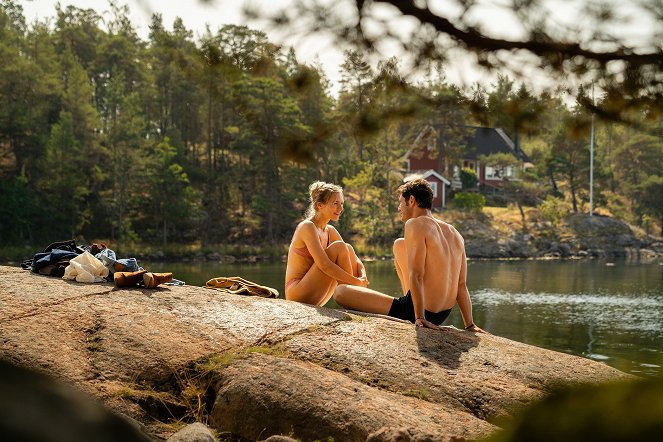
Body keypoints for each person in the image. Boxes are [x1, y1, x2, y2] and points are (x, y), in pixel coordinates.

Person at [334, 178, 485, 332]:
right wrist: (469, 324)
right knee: (400, 244)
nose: (399, 208)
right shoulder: (454, 233)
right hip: (443, 314)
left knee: (341, 292)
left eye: (400, 202)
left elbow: (417, 274)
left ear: (411, 200)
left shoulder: (415, 224)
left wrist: (419, 317)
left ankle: (413, 311)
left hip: (418, 312)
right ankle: (411, 300)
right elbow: (461, 285)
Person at [285, 181, 368, 306]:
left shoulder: (330, 230)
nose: (340, 208)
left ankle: (357, 298)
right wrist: (356, 282)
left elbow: (355, 259)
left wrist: (362, 277)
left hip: (315, 294)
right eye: (335, 204)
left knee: (348, 248)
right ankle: (353, 298)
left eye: (341, 204)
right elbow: (324, 265)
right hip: (297, 293)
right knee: (339, 247)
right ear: (319, 205)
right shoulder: (307, 227)